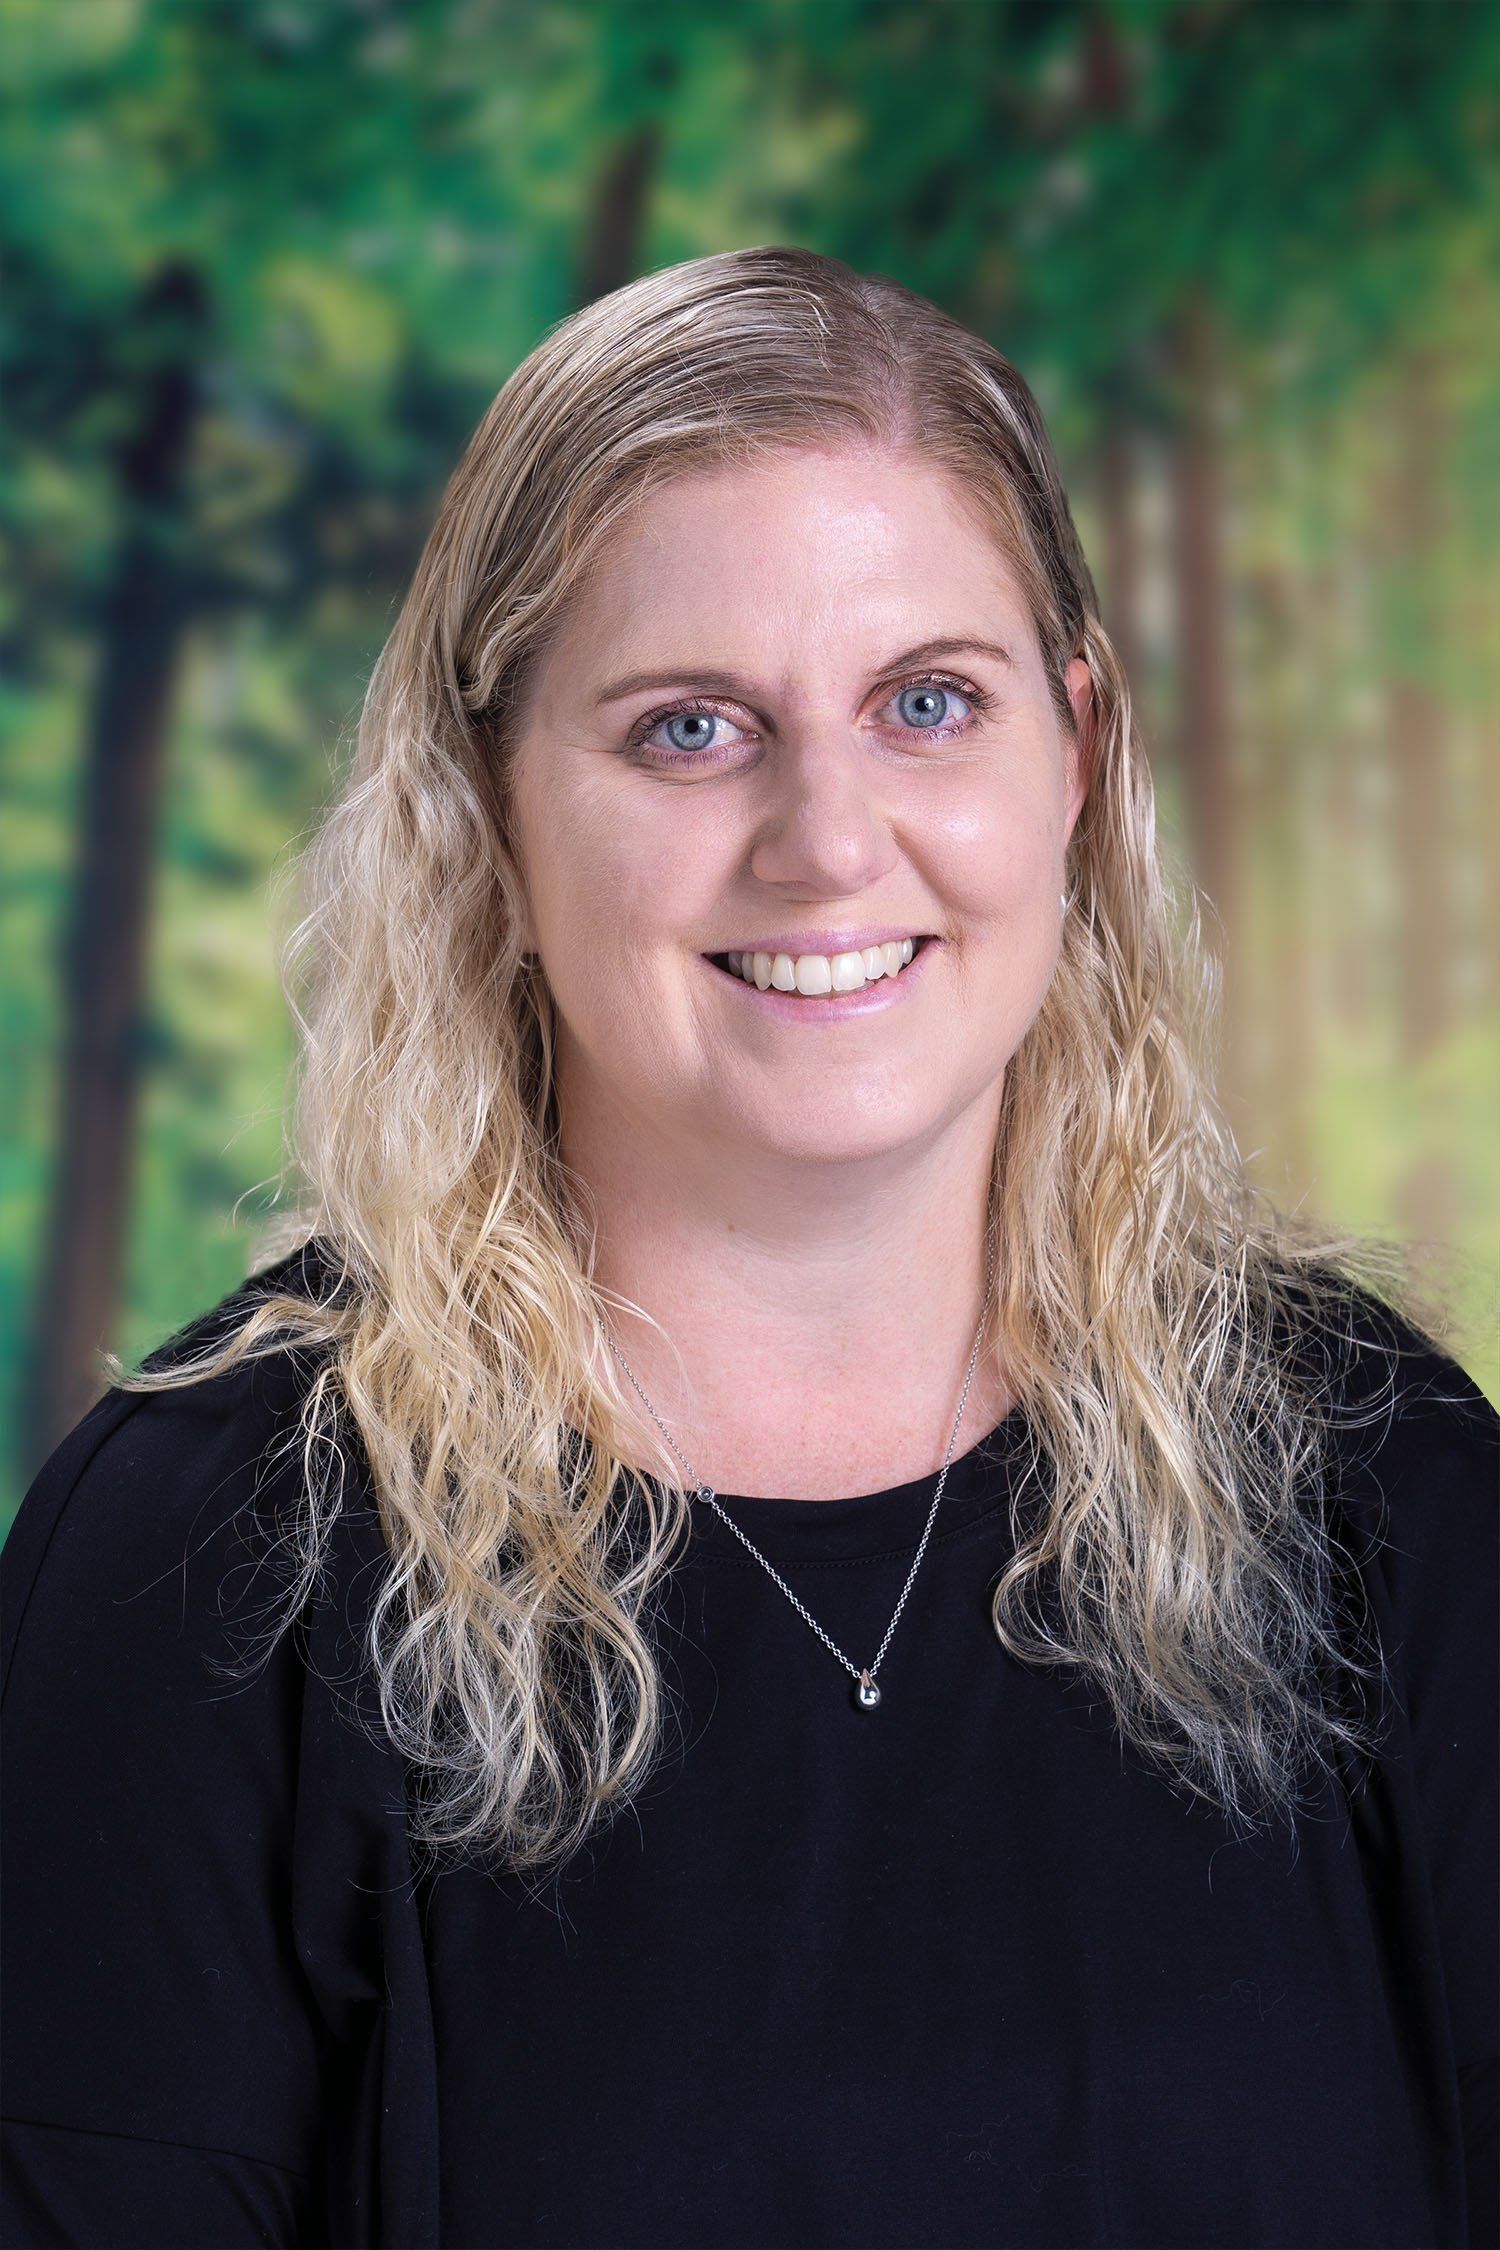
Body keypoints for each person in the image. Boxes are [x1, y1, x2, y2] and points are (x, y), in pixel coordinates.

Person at [2, 245, 1495, 2250]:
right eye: (691, 729)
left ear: (1076, 755)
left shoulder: (1373, 1475)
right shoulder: (203, 1561)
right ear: (488, 813)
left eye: (928, 704)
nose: (825, 837)